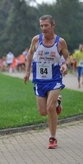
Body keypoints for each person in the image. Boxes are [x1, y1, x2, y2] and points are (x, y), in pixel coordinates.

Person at [23, 15, 69, 149]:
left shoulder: (60, 42)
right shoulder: (36, 40)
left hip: (54, 79)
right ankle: (57, 103)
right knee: (43, 112)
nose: (43, 28)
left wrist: (65, 65)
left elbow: (67, 57)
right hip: (40, 80)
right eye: (41, 26)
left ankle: (52, 138)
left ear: (53, 25)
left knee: (50, 108)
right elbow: (30, 54)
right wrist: (27, 72)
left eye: (46, 25)